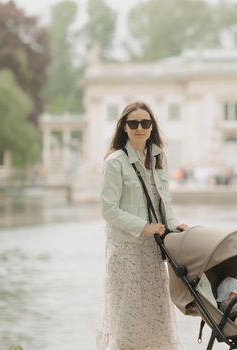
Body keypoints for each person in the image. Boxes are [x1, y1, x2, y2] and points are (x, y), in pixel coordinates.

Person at [97, 101, 188, 350]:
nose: (140, 128)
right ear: (124, 127)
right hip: (126, 249)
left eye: (145, 123)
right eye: (133, 123)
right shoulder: (115, 162)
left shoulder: (158, 158)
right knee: (128, 316)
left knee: (154, 314)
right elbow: (109, 210)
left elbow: (164, 200)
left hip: (153, 250)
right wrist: (144, 227)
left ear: (152, 127)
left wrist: (174, 226)